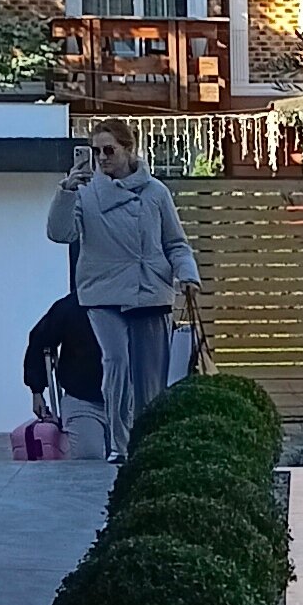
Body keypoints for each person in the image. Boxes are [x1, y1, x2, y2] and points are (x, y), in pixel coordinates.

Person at [44, 119, 197, 454]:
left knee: (150, 380)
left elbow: (175, 242)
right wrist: (66, 191)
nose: (101, 157)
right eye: (96, 151)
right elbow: (60, 233)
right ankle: (120, 443)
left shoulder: (156, 192)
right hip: (103, 293)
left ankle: (147, 445)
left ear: (129, 149)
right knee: (116, 363)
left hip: (150, 290)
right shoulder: (86, 192)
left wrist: (187, 274)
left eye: (109, 150)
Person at [20, 289, 109, 461]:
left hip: (125, 399)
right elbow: (39, 340)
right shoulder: (70, 307)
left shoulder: (128, 302)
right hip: (82, 399)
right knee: (89, 460)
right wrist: (36, 390)